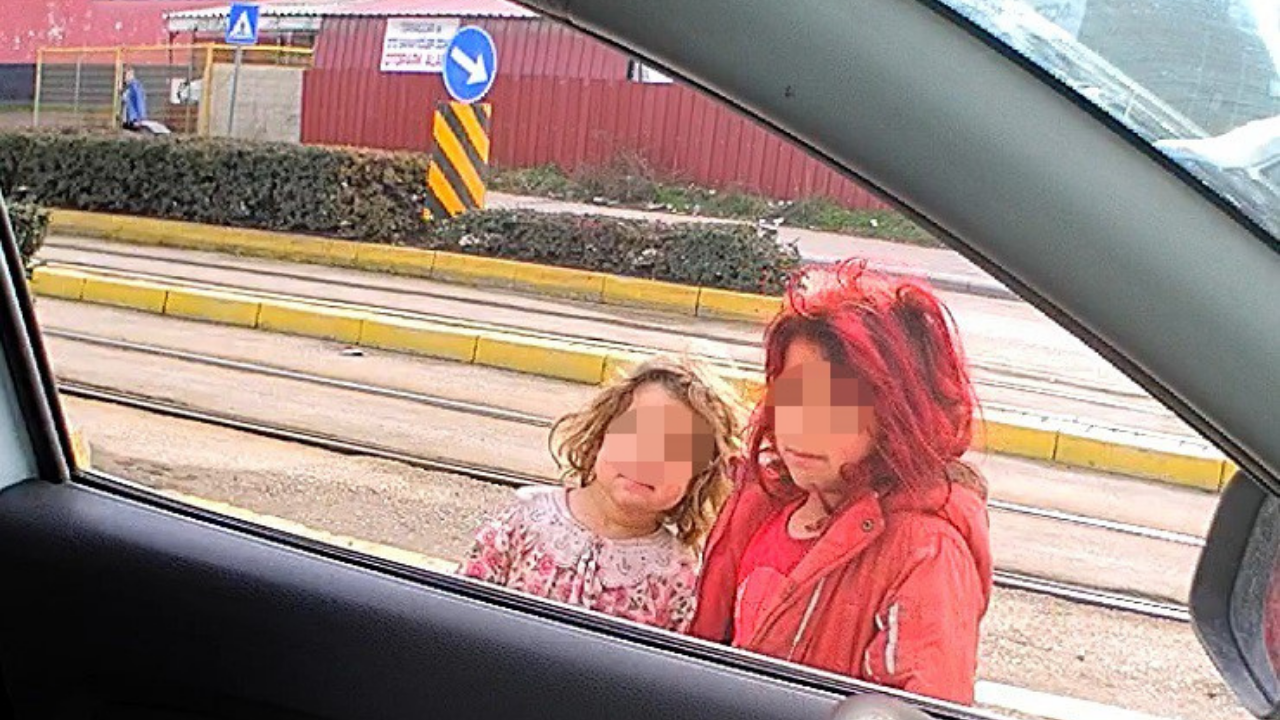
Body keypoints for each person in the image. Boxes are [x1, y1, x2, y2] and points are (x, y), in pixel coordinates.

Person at [689, 260, 993, 705]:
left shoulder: (925, 551)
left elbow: (917, 705)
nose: (802, 426)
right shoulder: (762, 502)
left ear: (899, 415)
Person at [460, 357, 743, 632]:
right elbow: (462, 610)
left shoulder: (679, 575)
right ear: (600, 435)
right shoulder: (525, 518)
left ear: (699, 477)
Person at [121, 66, 148, 131]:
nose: (124, 78)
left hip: (134, 120)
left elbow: (140, 101)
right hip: (128, 120)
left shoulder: (135, 86)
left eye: (126, 75)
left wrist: (141, 118)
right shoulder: (129, 86)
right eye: (124, 75)